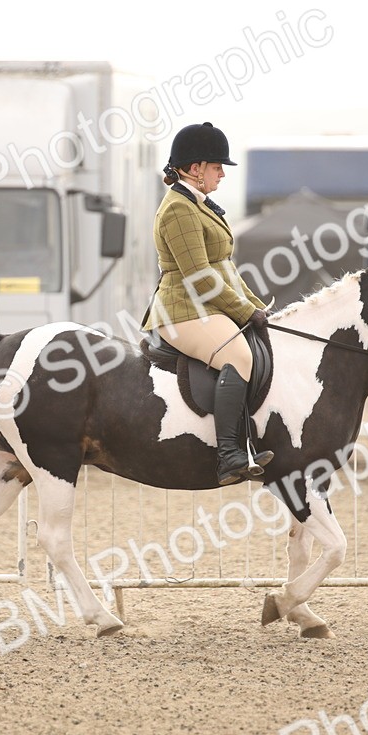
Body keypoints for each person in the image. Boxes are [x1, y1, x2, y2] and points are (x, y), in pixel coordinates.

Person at [141, 122, 274, 485]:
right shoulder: (178, 210)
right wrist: (245, 312)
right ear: (195, 168)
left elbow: (224, 268)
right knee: (238, 355)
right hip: (181, 310)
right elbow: (199, 277)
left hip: (205, 307)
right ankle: (229, 454)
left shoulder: (199, 205)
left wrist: (257, 305)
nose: (221, 175)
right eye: (217, 167)